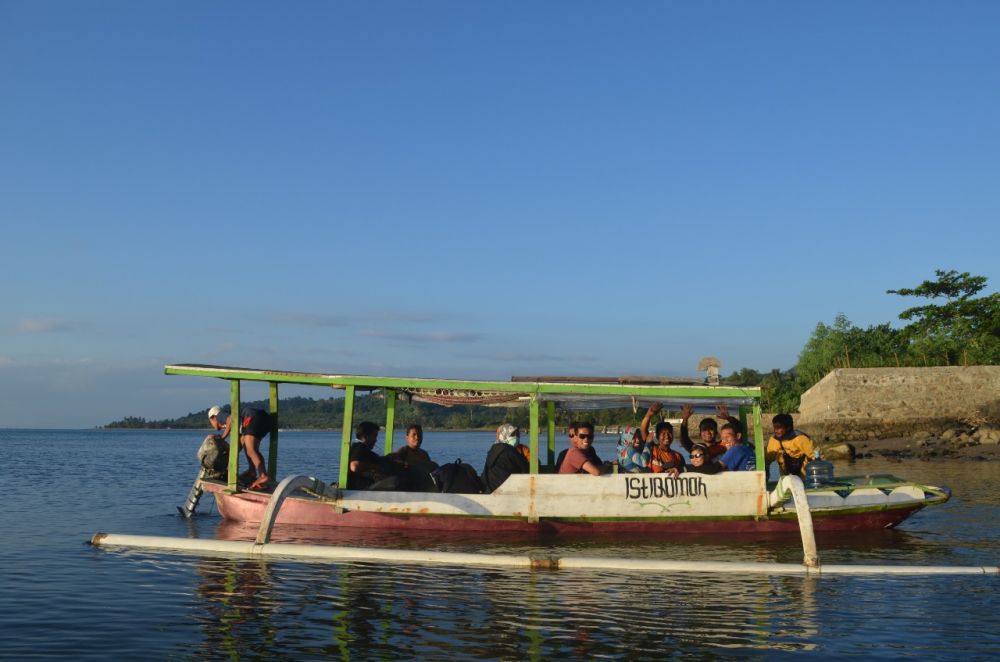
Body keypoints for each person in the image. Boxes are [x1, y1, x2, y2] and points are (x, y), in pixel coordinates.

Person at [209, 405, 271, 490]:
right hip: (263, 419)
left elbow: (230, 419)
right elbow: (239, 444)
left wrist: (223, 437)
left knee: (251, 449)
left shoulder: (219, 415)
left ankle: (263, 476)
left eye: (210, 422)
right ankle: (252, 472)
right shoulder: (237, 423)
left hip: (253, 417)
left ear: (213, 418)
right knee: (247, 446)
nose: (212, 425)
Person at [347, 421, 399, 490]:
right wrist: (377, 468)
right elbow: (354, 466)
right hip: (361, 489)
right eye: (374, 436)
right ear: (365, 436)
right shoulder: (359, 447)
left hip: (365, 486)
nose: (376, 440)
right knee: (395, 480)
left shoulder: (362, 449)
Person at [482, 423, 531, 493]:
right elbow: (525, 469)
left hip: (491, 490)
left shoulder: (493, 450)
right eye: (513, 435)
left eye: (517, 434)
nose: (516, 437)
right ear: (504, 436)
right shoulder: (510, 451)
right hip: (505, 491)